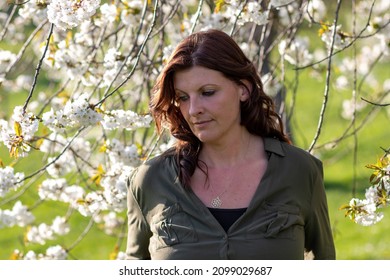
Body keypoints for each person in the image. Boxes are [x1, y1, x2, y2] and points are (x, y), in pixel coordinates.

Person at [126, 29, 336, 260]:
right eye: (183, 97)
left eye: (207, 92)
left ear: (243, 89)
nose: (194, 109)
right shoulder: (150, 179)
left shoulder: (299, 170)